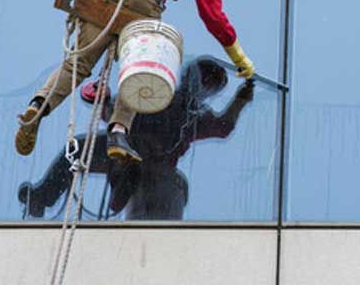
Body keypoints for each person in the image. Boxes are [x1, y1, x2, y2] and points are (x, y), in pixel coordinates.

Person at [14, 0, 255, 165]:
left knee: (76, 65)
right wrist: (239, 57)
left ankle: (38, 105)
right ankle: (118, 133)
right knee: (139, 73)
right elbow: (212, 13)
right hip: (143, 4)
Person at [18, 57, 255, 220]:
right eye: (205, 82)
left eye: (209, 86)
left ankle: (125, 179)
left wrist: (241, 99)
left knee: (84, 149)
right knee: (78, 148)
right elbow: (115, 111)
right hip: (124, 152)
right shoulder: (160, 95)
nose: (203, 88)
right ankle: (43, 197)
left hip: (147, 164)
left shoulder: (192, 115)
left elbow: (223, 127)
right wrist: (103, 99)